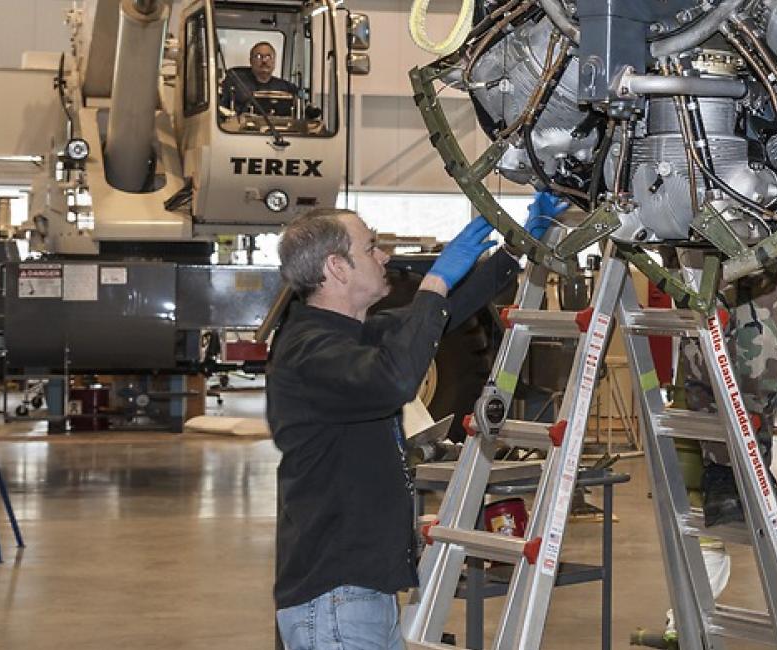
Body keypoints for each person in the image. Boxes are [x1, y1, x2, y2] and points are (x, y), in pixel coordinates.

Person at [267, 195, 565, 650]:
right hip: (334, 600)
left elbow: (439, 319)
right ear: (337, 267)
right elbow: (396, 380)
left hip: (361, 595)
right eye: (370, 248)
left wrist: (513, 250)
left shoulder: (345, 334)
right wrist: (434, 282)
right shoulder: (310, 351)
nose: (382, 256)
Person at [222, 41, 299, 115]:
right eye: (259, 56)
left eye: (268, 57)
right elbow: (222, 109)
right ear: (251, 61)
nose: (264, 61)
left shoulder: (287, 88)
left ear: (274, 61)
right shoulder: (235, 82)